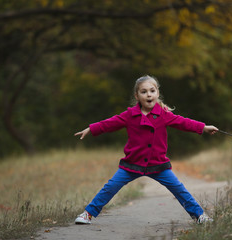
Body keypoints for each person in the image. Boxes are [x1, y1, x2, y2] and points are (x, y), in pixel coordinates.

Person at [74, 75, 218, 225]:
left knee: (179, 189)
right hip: (132, 164)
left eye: (152, 91)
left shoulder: (164, 115)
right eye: (144, 92)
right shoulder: (130, 115)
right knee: (110, 187)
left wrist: (203, 127)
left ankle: (199, 216)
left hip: (158, 165)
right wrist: (91, 128)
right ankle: (88, 214)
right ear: (137, 96)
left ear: (157, 93)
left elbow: (183, 122)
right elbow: (110, 123)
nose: (148, 94)